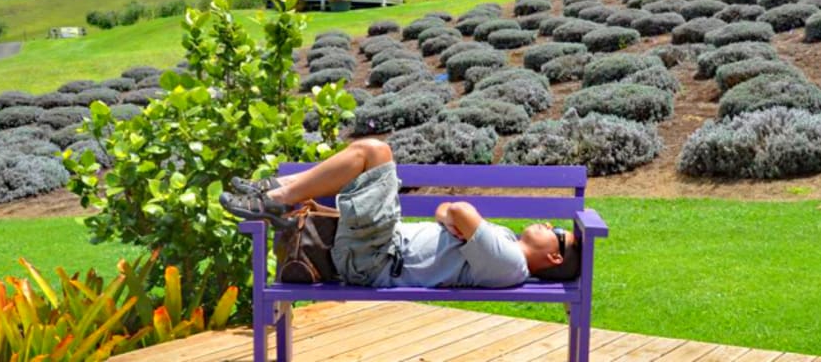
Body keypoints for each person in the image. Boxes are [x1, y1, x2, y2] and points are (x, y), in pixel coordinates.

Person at [220, 138, 581, 288]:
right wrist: (452, 218)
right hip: (378, 249)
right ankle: (271, 191)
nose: (550, 224)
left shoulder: (509, 265)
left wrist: (455, 217)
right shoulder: (503, 246)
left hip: (376, 258)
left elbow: (458, 208)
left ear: (553, 256)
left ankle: (275, 196)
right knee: (371, 152)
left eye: (559, 232)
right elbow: (448, 210)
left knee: (375, 153)